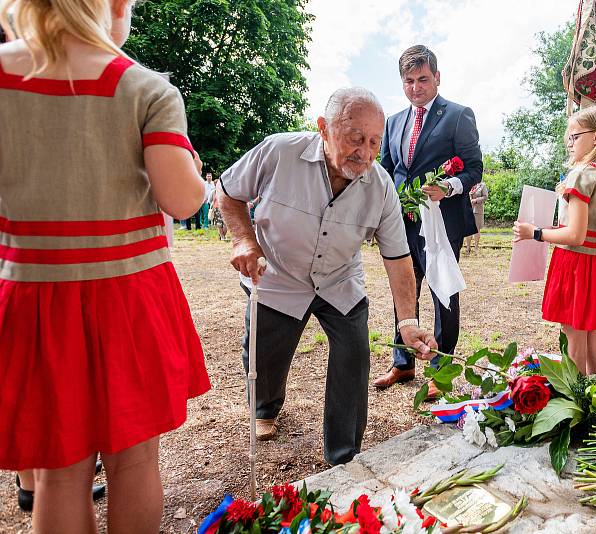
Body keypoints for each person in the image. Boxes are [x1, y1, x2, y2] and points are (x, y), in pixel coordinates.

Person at [0, 1, 211, 532]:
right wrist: (196, 174)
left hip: (36, 293)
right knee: (135, 461)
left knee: (59, 474)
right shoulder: (145, 88)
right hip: (129, 295)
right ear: (115, 6)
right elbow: (182, 201)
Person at [217, 87, 437, 465]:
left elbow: (398, 256)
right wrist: (242, 239)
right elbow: (228, 190)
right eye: (355, 139)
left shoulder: (381, 186)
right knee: (264, 355)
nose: (365, 154)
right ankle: (266, 407)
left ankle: (344, 454)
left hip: (338, 278)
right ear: (323, 128)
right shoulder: (278, 152)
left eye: (374, 143)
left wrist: (408, 321)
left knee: (354, 354)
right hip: (279, 275)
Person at [374, 45, 483, 397]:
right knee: (403, 292)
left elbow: (473, 167)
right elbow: (388, 172)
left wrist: (448, 187)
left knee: (442, 295)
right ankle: (402, 363)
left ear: (437, 77)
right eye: (409, 81)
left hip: (442, 223)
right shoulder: (392, 122)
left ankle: (441, 369)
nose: (415, 87)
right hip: (401, 224)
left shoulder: (458, 115)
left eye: (422, 79)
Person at [513, 105, 596, 375]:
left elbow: (575, 235)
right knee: (591, 343)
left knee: (573, 340)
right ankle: (594, 394)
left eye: (575, 136)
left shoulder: (581, 174)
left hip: (576, 265)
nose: (569, 143)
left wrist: (535, 233)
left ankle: (575, 401)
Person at [465, 182, 489, 255]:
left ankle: (476, 249)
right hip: (468, 210)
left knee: (477, 229)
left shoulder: (482, 185)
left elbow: (485, 197)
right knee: (468, 229)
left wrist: (476, 200)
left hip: (478, 211)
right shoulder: (468, 183)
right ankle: (468, 248)